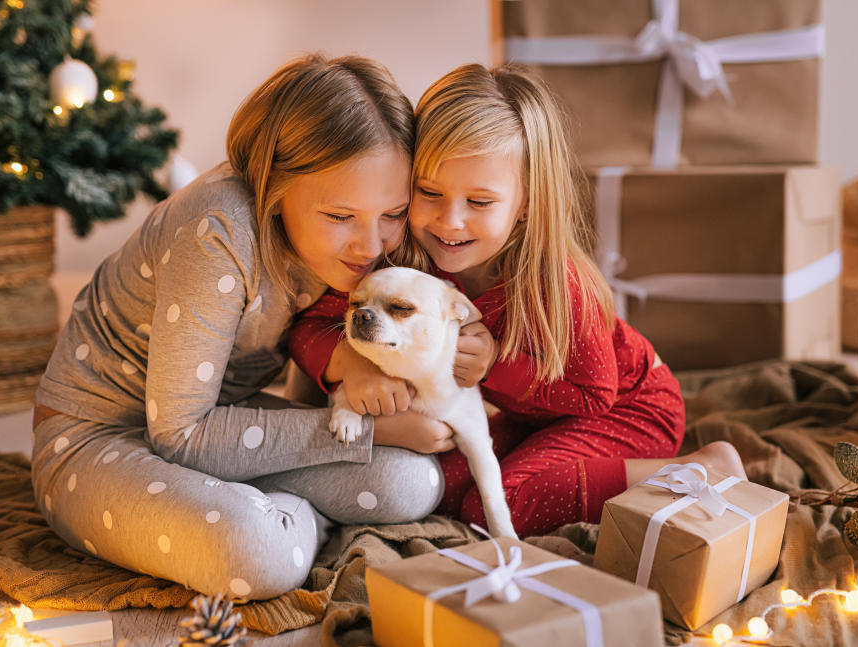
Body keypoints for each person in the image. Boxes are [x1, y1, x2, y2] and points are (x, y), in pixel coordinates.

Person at [30, 54, 449, 601]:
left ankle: (272, 518)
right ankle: (274, 527)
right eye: (341, 216)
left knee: (414, 484)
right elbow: (180, 437)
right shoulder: (219, 232)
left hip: (217, 427)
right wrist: (373, 430)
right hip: (96, 439)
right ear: (274, 188)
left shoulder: (343, 247)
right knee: (255, 554)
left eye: (391, 213)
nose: (370, 246)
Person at [289, 63, 746, 539]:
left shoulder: (557, 285)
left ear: (526, 201)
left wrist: (494, 366)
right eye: (429, 192)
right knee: (445, 488)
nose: (450, 221)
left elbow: (594, 396)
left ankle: (697, 469)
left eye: (480, 202)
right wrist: (349, 363)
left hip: (630, 412)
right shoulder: (406, 267)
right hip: (531, 419)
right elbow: (308, 326)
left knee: (498, 507)